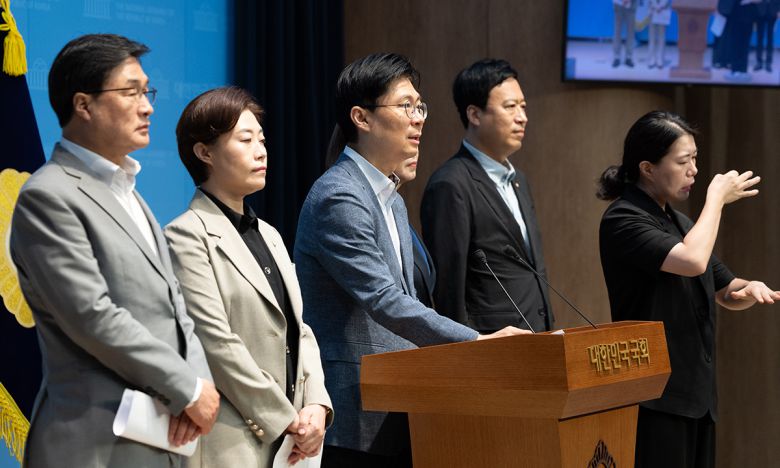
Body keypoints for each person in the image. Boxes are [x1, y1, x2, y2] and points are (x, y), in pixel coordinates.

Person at [294, 53, 528, 468]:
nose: (418, 119)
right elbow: (384, 299)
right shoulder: (339, 195)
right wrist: (475, 342)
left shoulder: (392, 199)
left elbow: (408, 300)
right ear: (361, 118)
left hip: (402, 398)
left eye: (420, 107)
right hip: (355, 410)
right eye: (406, 106)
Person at [9, 34, 219, 467]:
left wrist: (200, 382)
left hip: (162, 437)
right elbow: (92, 316)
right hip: (95, 444)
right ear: (83, 105)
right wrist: (187, 388)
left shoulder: (131, 194)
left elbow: (176, 307)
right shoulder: (48, 195)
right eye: (131, 92)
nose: (148, 107)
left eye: (147, 92)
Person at [596, 110, 780, 468]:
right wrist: (715, 199)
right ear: (648, 168)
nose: (694, 170)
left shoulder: (680, 222)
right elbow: (693, 260)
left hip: (697, 396)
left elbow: (725, 288)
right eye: (683, 161)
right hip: (655, 397)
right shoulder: (623, 218)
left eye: (695, 159)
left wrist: (748, 289)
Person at [164, 87, 333, 467]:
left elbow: (300, 329)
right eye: (245, 140)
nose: (261, 151)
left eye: (262, 139)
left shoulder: (270, 234)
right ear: (204, 152)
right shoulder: (185, 235)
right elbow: (215, 342)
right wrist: (286, 419)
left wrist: (317, 405)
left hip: (292, 443)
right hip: (232, 442)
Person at [421, 58, 553, 334]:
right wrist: (466, 346)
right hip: (491, 343)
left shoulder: (519, 180)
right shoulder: (451, 184)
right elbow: (449, 287)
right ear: (474, 114)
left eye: (523, 106)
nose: (522, 117)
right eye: (510, 106)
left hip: (537, 335)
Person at [754, 0, 780, 72]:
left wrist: (779, 10)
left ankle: (768, 62)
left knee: (770, 38)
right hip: (760, 11)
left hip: (773, 11)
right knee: (759, 38)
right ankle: (759, 61)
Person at [612, 0, 638, 67]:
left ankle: (628, 57)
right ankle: (616, 57)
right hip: (618, 5)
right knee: (617, 31)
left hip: (631, 5)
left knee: (630, 32)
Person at [647, 0, 672, 69]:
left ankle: (660, 59)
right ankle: (651, 59)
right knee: (652, 37)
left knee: (661, 37)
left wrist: (661, 6)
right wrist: (655, 6)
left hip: (663, 11)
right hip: (652, 11)